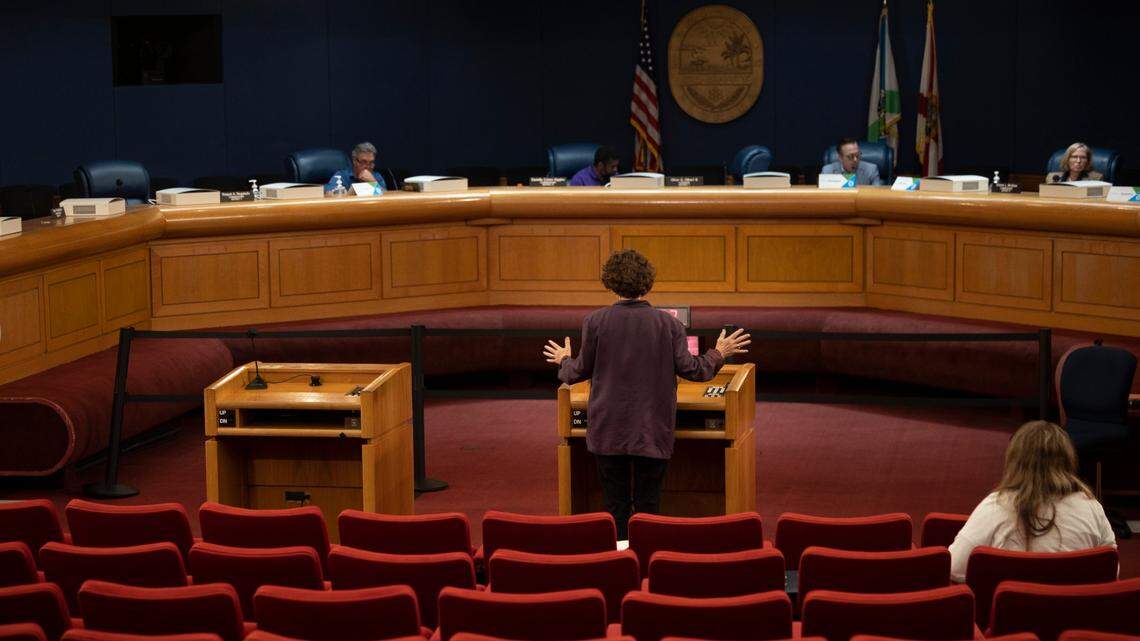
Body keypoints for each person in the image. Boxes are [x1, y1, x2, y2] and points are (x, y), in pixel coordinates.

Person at [542, 249, 751, 539]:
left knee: (614, 506)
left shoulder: (595, 321)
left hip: (608, 428)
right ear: (648, 282)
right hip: (652, 428)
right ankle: (645, 562)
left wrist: (564, 360)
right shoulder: (669, 324)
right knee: (648, 504)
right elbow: (694, 371)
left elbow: (576, 372)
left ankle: (620, 562)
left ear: (610, 283)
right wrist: (719, 353)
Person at [947, 420, 1115, 582]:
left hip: (1009, 610)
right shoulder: (1091, 507)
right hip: (1074, 610)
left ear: (1014, 461)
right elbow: (1111, 570)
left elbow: (954, 567)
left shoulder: (995, 506)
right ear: (1067, 460)